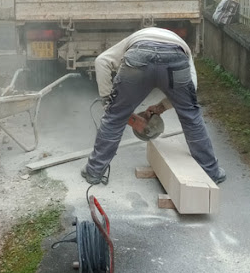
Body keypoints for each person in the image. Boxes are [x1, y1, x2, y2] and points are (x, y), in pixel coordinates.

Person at [81, 26, 226, 186]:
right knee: (191, 116)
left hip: (138, 58)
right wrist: (163, 107)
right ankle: (211, 172)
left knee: (114, 119)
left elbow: (101, 61)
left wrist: (108, 100)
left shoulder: (133, 39)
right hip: (175, 58)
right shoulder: (182, 47)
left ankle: (94, 172)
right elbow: (191, 87)